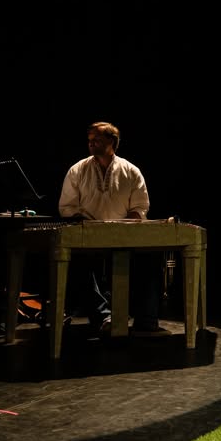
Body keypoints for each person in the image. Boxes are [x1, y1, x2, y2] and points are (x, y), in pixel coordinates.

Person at [59, 121, 164, 336]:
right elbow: (67, 207)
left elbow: (140, 207)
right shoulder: (78, 170)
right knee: (78, 262)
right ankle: (105, 317)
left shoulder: (130, 171)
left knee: (150, 258)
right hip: (88, 236)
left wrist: (121, 228)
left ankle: (146, 320)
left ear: (112, 141)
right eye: (89, 140)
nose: (91, 143)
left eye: (97, 139)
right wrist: (86, 224)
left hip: (125, 236)